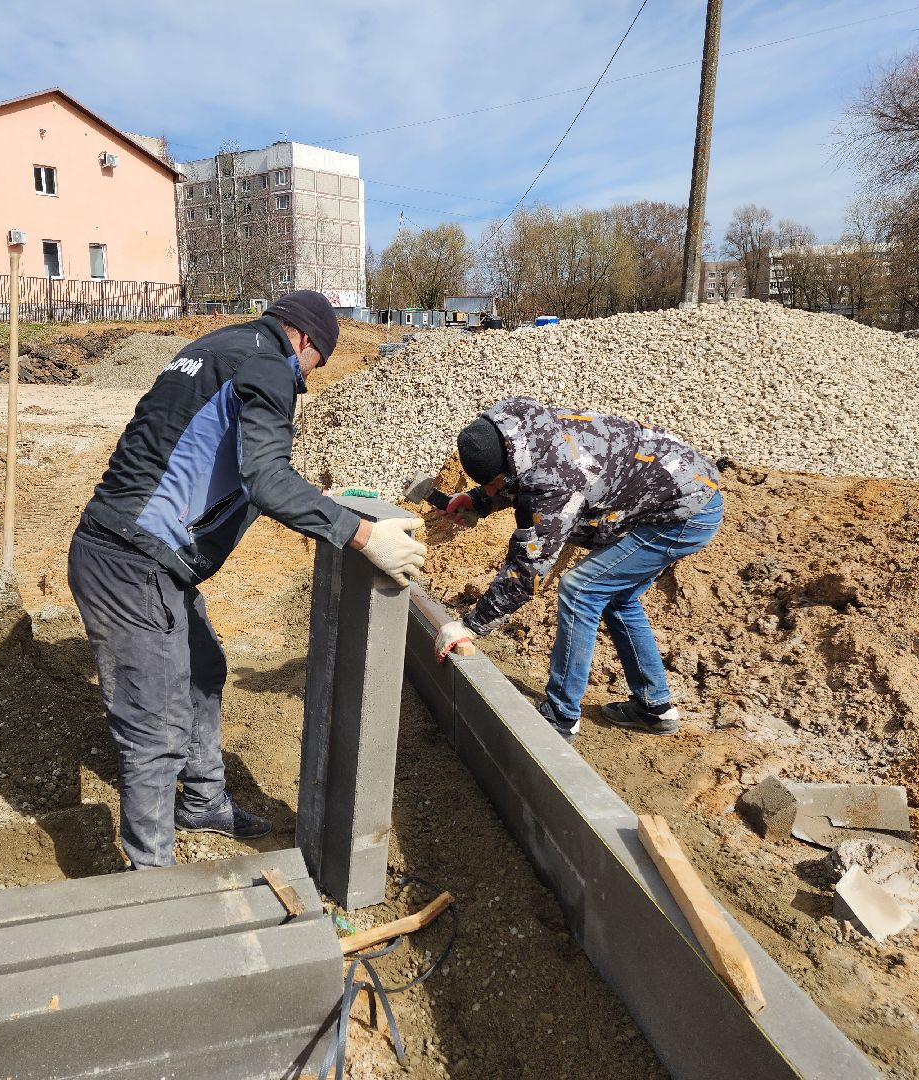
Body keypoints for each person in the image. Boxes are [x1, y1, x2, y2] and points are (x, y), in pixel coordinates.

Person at [68, 290, 426, 870]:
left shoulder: (217, 347)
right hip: (133, 565)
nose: (309, 379)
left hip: (135, 550)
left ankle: (205, 801)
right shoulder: (271, 365)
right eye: (317, 365)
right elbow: (265, 478)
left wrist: (327, 504)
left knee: (203, 667)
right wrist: (365, 537)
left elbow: (215, 457)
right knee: (152, 734)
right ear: (306, 340)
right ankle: (150, 886)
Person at [433, 397, 723, 737]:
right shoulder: (522, 429)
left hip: (686, 513)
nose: (496, 488)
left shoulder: (559, 480)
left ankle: (561, 716)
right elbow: (523, 478)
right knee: (618, 597)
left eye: (496, 483)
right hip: (677, 487)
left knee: (580, 588)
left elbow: (528, 570)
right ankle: (653, 707)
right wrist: (480, 499)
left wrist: (472, 625)